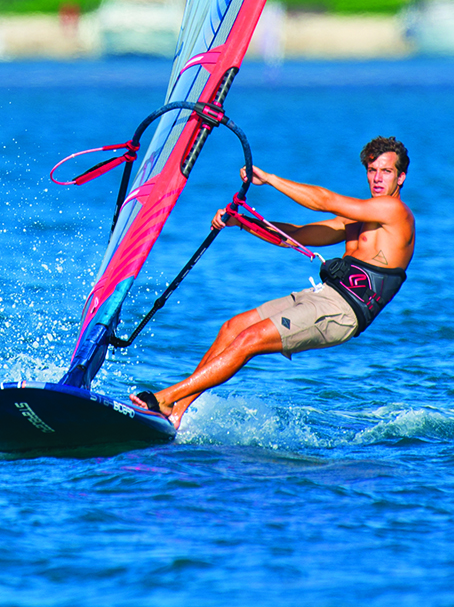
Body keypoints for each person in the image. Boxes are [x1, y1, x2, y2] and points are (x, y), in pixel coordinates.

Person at [133, 136, 414, 429]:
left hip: (343, 312)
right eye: (372, 171)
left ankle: (166, 397)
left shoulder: (396, 213)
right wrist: (241, 222)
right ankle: (177, 411)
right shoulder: (358, 220)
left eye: (386, 171)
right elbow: (298, 235)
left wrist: (269, 179)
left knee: (249, 340)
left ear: (401, 177)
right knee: (233, 328)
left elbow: (325, 201)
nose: (378, 178)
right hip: (323, 295)